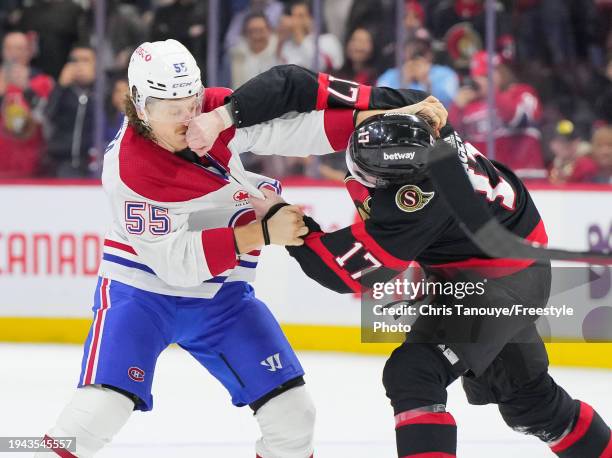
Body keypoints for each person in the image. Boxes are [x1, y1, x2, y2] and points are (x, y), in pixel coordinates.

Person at [38, 41, 442, 458]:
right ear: (141, 107)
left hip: (222, 299)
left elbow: (291, 129)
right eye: (170, 109)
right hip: (142, 296)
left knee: (293, 416)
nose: (186, 120)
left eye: (191, 103)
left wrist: (379, 117)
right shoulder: (130, 171)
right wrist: (261, 235)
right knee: (96, 414)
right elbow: (177, 264)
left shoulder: (210, 114)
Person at [251, 112, 612, 458]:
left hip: (496, 287)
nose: (364, 187)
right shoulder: (431, 131)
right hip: (512, 274)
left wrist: (291, 227)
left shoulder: (417, 201)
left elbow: (344, 273)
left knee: (414, 373)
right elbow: (393, 101)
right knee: (532, 405)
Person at [449, 50, 547, 179]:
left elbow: (518, 119)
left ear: (502, 72)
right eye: (479, 76)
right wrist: (456, 108)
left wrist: (492, 93)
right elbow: (450, 141)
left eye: (486, 75)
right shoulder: (468, 106)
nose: (481, 81)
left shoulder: (521, 93)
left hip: (525, 178)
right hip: (489, 183)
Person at [0, 31, 53, 178]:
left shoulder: (43, 82)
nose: (14, 54)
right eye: (9, 48)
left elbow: (48, 118)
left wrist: (27, 89)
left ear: (29, 52)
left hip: (31, 161)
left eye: (19, 48)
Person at [43, 44, 96, 177]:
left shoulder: (103, 91)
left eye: (85, 60)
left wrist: (97, 83)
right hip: (61, 163)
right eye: (74, 61)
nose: (79, 66)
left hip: (94, 163)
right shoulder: (62, 91)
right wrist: (60, 86)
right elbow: (47, 116)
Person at [377, 34, 459, 107]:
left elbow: (451, 104)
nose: (416, 55)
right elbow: (381, 102)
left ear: (431, 53)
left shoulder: (445, 74)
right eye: (411, 50)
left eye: (422, 50)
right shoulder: (390, 75)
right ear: (404, 53)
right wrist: (404, 83)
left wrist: (426, 82)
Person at [229, 11, 279, 89]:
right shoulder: (238, 55)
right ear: (245, 34)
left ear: (269, 31)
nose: (256, 36)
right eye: (251, 31)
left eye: (261, 31)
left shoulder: (279, 51)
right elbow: (237, 89)